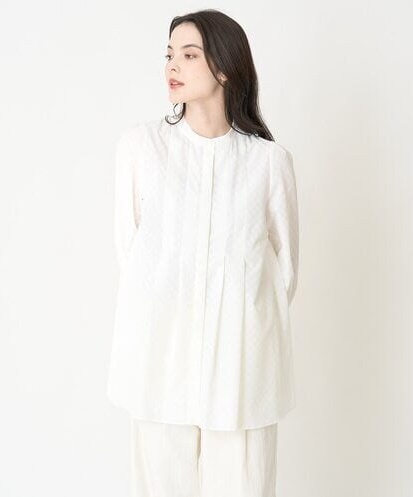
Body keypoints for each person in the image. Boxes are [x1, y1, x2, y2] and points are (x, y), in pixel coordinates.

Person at [107, 9, 299, 497]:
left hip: (241, 374)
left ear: (225, 68)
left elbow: (284, 272)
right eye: (170, 54)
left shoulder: (268, 163)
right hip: (160, 364)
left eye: (189, 55)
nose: (172, 65)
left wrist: (240, 328)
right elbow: (132, 255)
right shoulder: (141, 148)